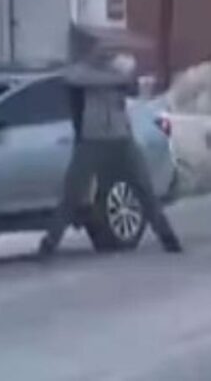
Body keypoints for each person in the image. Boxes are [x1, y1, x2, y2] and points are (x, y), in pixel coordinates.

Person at [38, 61, 182, 258]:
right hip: (92, 139)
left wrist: (124, 79)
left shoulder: (118, 70)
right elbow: (75, 80)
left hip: (121, 137)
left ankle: (168, 238)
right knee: (73, 193)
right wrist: (116, 79)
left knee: (144, 189)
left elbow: (133, 87)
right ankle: (49, 243)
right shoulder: (82, 71)